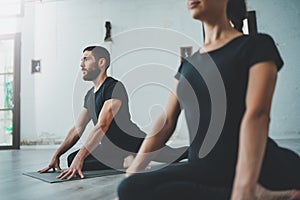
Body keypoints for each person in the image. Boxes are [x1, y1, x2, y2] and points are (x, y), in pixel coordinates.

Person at [117, 0, 300, 199]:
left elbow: (257, 114)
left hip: (257, 165)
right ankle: (256, 196)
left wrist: (245, 185)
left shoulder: (256, 45)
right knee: (129, 188)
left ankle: (250, 191)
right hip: (204, 168)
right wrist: (134, 169)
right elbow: (167, 121)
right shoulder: (189, 64)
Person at [38, 46, 187, 180]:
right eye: (81, 59)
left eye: (86, 59)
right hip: (109, 149)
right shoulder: (90, 95)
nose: (81, 64)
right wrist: (57, 155)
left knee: (174, 156)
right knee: (72, 158)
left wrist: (81, 157)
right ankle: (125, 161)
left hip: (132, 142)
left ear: (101, 62)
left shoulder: (113, 87)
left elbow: (102, 125)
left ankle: (134, 155)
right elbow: (77, 129)